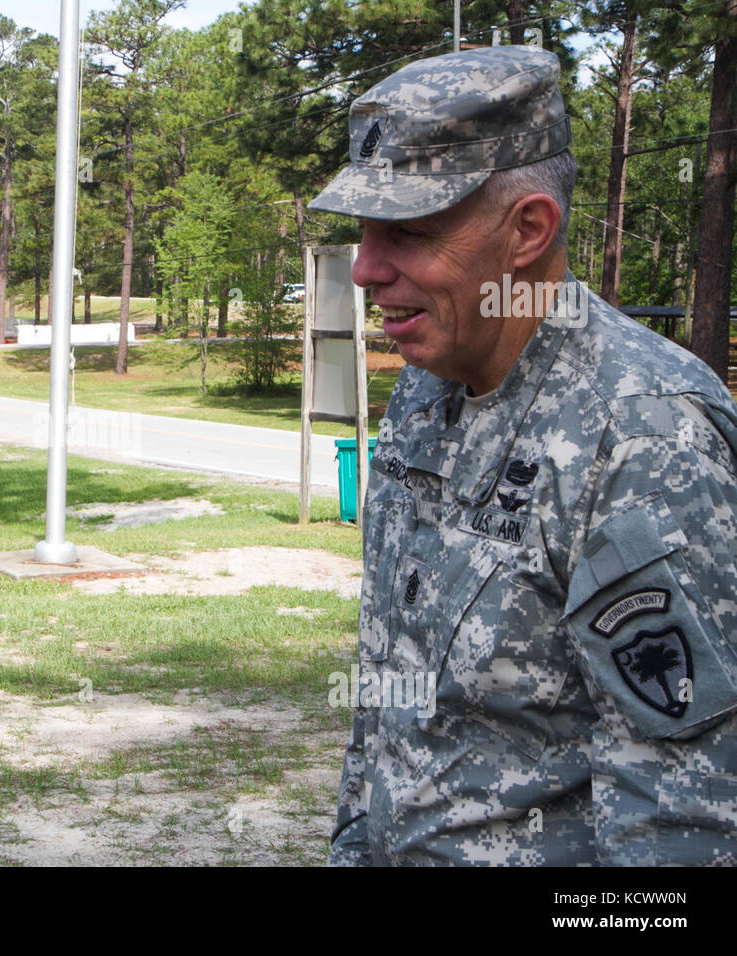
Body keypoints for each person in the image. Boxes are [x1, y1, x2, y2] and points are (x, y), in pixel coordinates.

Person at [309, 45, 737, 865]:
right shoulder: (427, 387)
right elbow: (389, 693)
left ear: (528, 231)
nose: (364, 268)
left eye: (406, 232)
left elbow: (683, 814)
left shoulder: (645, 430)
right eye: (362, 233)